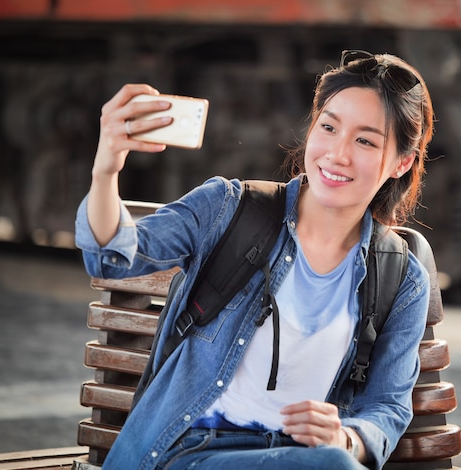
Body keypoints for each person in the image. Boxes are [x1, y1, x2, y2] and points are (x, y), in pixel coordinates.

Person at [75, 49, 434, 470]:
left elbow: (387, 406)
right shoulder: (230, 209)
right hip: (185, 453)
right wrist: (106, 170)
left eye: (365, 140)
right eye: (329, 127)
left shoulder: (401, 278)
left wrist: (346, 437)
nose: (337, 153)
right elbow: (112, 259)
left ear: (402, 163)